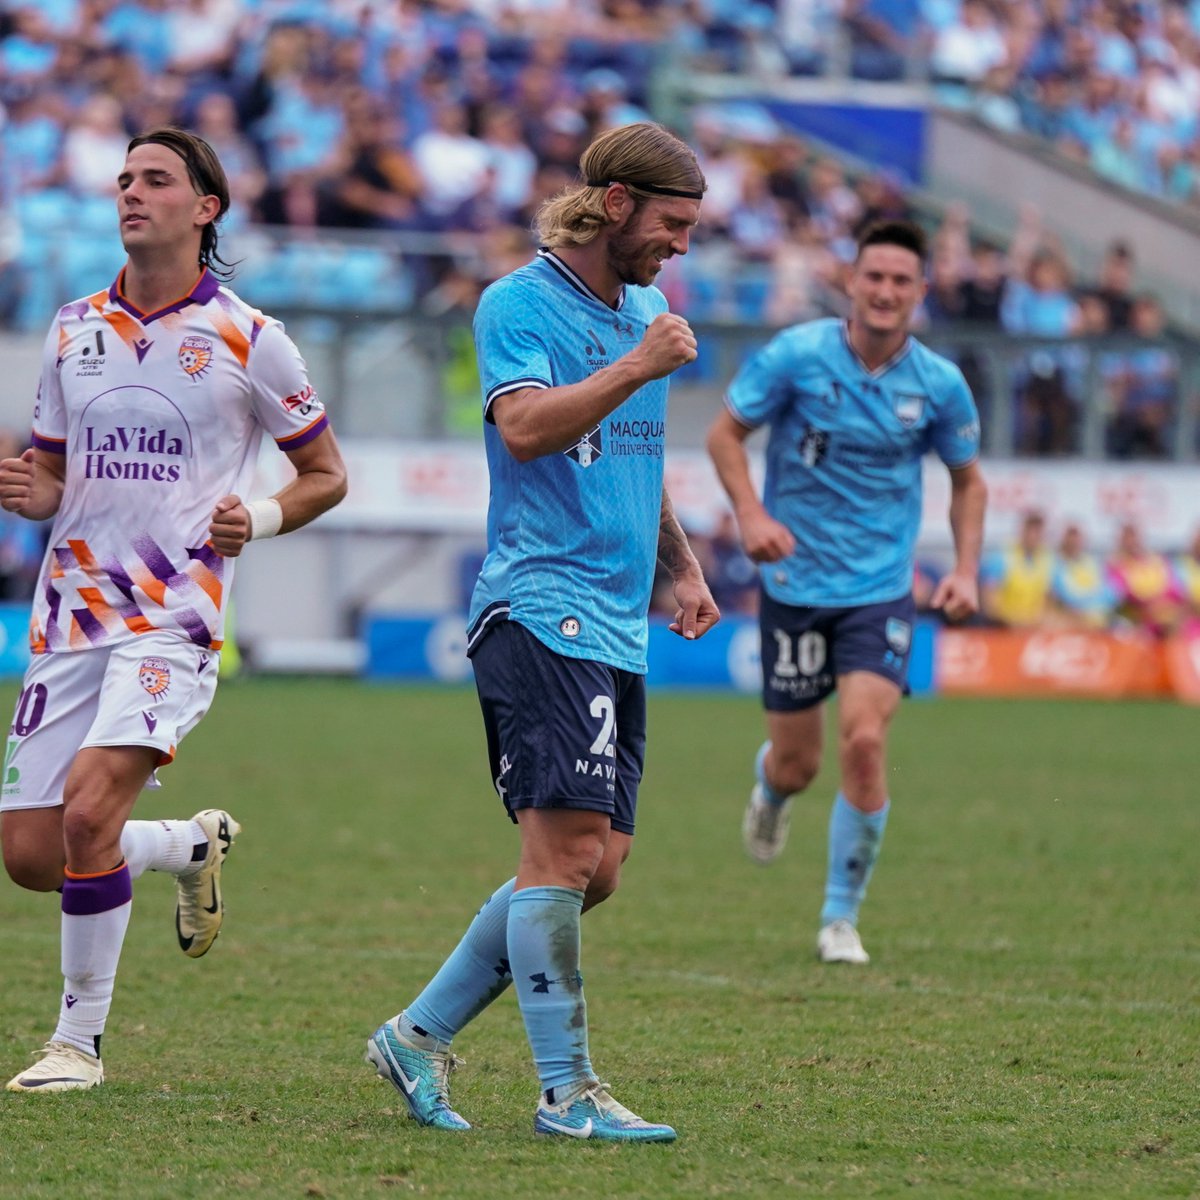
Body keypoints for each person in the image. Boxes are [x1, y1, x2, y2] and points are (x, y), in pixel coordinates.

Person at [366, 122, 718, 1143]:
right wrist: (640, 362)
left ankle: (416, 1034)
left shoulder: (646, 308)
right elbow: (523, 426)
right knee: (563, 858)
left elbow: (632, 460)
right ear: (615, 204)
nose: (680, 248)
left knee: (593, 868)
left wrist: (681, 565)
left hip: (616, 621)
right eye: (671, 224)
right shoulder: (518, 303)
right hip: (540, 607)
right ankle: (569, 1093)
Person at [0, 126, 347, 1092]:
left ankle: (78, 1043)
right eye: (122, 178)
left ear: (205, 208)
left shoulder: (251, 337)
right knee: (31, 855)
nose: (130, 192)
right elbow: (52, 478)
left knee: (88, 815)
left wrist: (264, 516)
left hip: (174, 617)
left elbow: (326, 475)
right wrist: (24, 491)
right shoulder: (72, 328)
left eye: (155, 179)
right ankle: (190, 845)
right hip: (70, 613)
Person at [705, 219, 987, 965]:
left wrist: (963, 568)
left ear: (921, 293)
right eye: (875, 277)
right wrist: (753, 515)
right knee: (799, 763)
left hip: (880, 590)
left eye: (902, 281)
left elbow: (968, 482)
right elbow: (724, 436)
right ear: (851, 282)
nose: (887, 291)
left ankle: (839, 917)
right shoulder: (797, 356)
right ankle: (771, 790)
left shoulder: (939, 384)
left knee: (865, 739)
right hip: (794, 585)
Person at [980, 509, 1053, 628]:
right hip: (1004, 629)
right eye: (1031, 530)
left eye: (1039, 531)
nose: (1035, 536)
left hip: (1033, 630)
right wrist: (1015, 622)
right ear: (1022, 530)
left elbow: (1048, 600)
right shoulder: (1001, 558)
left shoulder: (1046, 561)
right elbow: (989, 604)